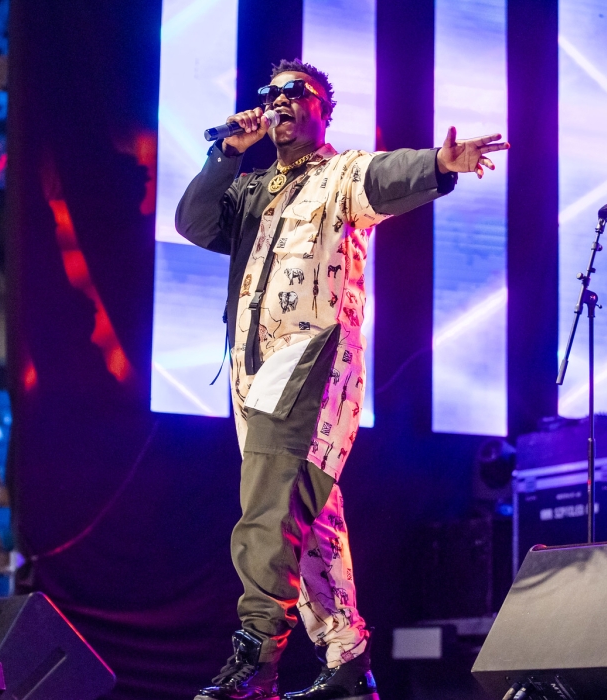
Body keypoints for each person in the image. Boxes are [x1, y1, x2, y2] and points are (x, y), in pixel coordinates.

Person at [176, 59, 507, 700]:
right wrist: (227, 152)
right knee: (309, 519)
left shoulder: (340, 175)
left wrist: (440, 164)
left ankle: (256, 659)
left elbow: (385, 176)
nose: (281, 101)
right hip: (252, 373)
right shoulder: (252, 191)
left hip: (311, 364)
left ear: (324, 111)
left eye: (297, 93)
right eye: (273, 93)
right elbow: (195, 222)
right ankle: (347, 658)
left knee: (269, 510)